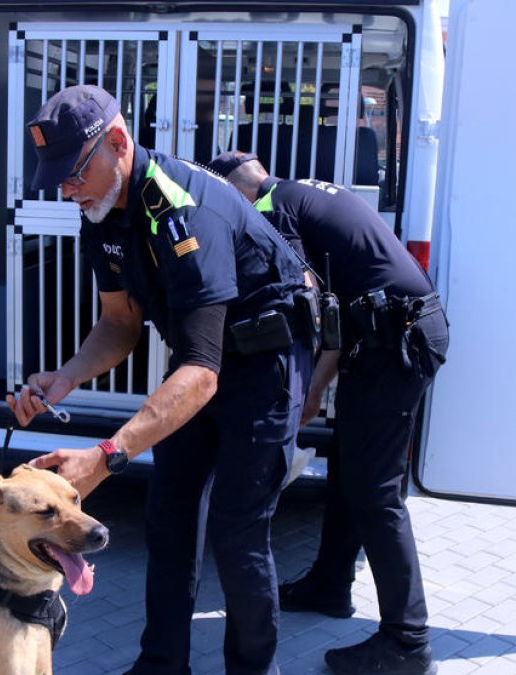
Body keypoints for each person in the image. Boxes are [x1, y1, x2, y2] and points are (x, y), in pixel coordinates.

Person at [8, 85, 313, 675]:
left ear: (117, 144)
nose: (67, 192)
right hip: (201, 361)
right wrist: (63, 379)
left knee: (237, 532)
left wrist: (104, 456)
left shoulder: (182, 207)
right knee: (168, 517)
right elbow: (120, 323)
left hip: (263, 367)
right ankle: (161, 666)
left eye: (73, 176)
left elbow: (201, 375)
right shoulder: (101, 211)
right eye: (58, 182)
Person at [207, 151, 449, 675]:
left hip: (396, 341)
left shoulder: (273, 211)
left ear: (235, 193)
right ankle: (330, 584)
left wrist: (292, 385)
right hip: (388, 333)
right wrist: (316, 387)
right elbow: (343, 302)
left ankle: (408, 643)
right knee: (350, 470)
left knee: (376, 492)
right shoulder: (305, 192)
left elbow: (302, 300)